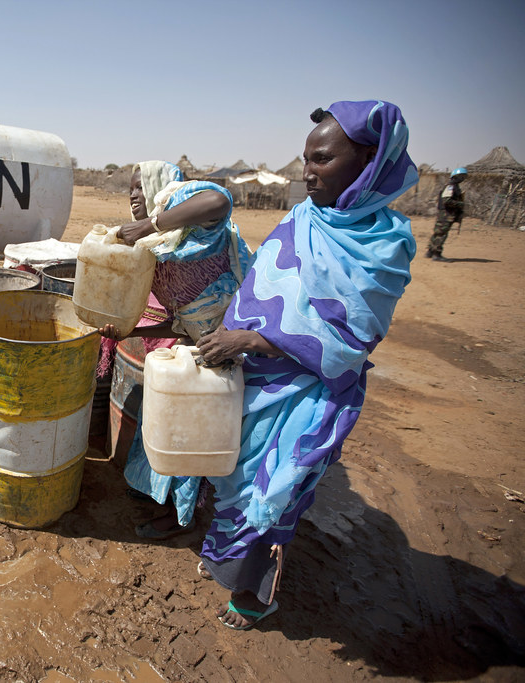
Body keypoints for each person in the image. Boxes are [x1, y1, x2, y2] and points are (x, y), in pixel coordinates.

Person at [194, 100, 418, 630]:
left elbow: (352, 342)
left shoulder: (383, 248)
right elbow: (260, 289)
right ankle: (226, 555)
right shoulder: (301, 218)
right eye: (305, 159)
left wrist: (251, 337)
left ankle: (252, 594)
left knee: (277, 493)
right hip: (255, 380)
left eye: (321, 159)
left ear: (369, 159)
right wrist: (232, 333)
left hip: (310, 394)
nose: (306, 172)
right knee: (233, 478)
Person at [98, 161, 254, 539]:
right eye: (130, 188)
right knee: (167, 427)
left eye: (140, 186)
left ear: (158, 187)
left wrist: (150, 224)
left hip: (225, 345)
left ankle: (179, 518)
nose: (133, 195)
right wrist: (129, 330)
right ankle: (162, 501)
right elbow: (182, 319)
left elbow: (219, 199)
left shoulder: (186, 214)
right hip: (195, 341)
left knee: (191, 437)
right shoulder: (163, 245)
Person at [425, 167, 466, 261]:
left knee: (438, 232)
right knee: (441, 233)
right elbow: (446, 200)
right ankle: (436, 254)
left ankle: (430, 251)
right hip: (446, 214)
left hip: (446, 214)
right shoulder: (451, 187)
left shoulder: (454, 187)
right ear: (455, 177)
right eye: (461, 176)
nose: (462, 179)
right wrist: (460, 203)